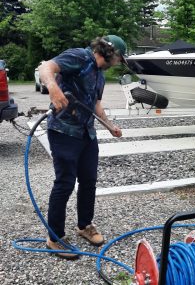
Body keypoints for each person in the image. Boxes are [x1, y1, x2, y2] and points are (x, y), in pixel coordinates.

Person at [39, 35, 126, 259]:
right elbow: (47, 66)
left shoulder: (101, 76)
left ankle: (84, 225)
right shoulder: (79, 57)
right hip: (64, 130)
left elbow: (96, 103)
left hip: (87, 133)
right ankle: (54, 237)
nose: (118, 63)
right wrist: (52, 86)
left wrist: (109, 126)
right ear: (111, 53)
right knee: (65, 183)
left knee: (89, 180)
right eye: (119, 59)